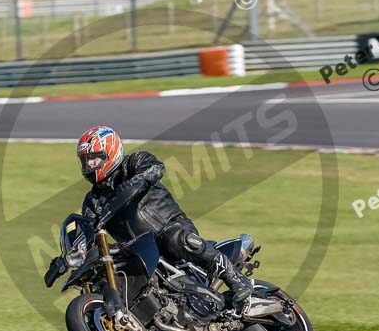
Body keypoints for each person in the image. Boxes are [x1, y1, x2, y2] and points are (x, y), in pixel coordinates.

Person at [64, 125, 252, 309]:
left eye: (94, 158)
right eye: (85, 160)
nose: (89, 164)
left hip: (169, 226)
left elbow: (155, 168)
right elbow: (89, 230)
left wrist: (137, 180)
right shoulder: (92, 201)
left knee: (177, 239)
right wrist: (67, 257)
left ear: (111, 153)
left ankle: (237, 280)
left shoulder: (134, 162)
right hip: (138, 248)